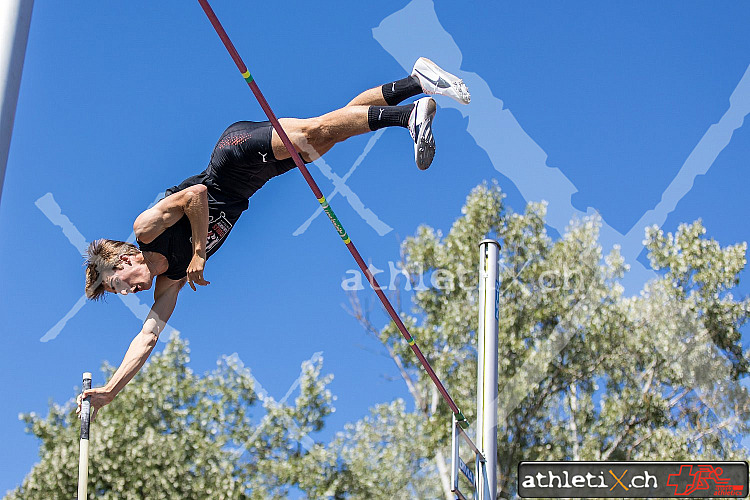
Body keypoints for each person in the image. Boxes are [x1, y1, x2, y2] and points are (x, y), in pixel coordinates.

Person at [76, 57, 470, 420]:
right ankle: (415, 82)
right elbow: (146, 338)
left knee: (317, 131)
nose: (125, 294)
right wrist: (112, 389)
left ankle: (407, 117)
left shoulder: (147, 230)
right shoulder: (170, 281)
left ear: (124, 262)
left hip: (233, 157)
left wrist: (198, 253)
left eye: (117, 286)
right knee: (329, 132)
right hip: (252, 183)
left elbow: (195, 196)